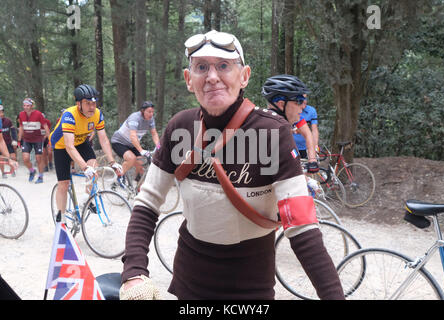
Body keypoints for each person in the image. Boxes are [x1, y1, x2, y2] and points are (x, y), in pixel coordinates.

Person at [119, 30, 344, 300]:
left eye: (224, 66)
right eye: (202, 67)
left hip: (250, 288)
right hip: (189, 282)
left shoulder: (274, 132)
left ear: (244, 76)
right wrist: (133, 273)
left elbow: (302, 227)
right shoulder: (179, 126)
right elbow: (147, 203)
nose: (213, 77)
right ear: (189, 80)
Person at [49, 84, 122, 223]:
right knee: (64, 183)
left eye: (94, 103)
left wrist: (112, 162)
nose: (92, 107)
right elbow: (69, 146)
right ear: (78, 104)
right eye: (87, 103)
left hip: (81, 141)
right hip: (62, 145)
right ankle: (61, 217)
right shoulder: (70, 115)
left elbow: (104, 139)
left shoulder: (97, 114)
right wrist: (84, 167)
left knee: (94, 167)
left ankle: (85, 199)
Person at [261, 74, 319, 173]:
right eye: (299, 101)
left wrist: (312, 159)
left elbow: (308, 134)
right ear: (281, 104)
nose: (302, 107)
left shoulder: (295, 118)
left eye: (304, 101)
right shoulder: (265, 128)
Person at [110, 101, 160, 182]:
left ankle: (138, 185)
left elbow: (154, 134)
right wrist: (141, 150)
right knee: (131, 158)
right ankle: (118, 178)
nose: (151, 114)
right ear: (143, 111)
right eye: (149, 112)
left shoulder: (151, 119)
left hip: (132, 144)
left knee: (141, 162)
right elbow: (133, 136)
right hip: (119, 142)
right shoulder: (135, 118)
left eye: (152, 112)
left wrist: (158, 147)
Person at [17, 98, 50, 183]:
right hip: (26, 139)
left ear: (32, 106)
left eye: (28, 105)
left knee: (38, 158)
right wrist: (19, 139)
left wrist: (48, 137)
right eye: (24, 105)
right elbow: (21, 127)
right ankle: (32, 171)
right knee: (25, 158)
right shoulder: (21, 114)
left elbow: (45, 126)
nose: (26, 107)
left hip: (37, 139)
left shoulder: (38, 114)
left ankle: (40, 176)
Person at [0, 104, 18, 177]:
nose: (0, 114)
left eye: (1, 112)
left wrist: (14, 140)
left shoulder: (6, 121)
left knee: (12, 157)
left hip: (7, 142)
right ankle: (3, 172)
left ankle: (12, 170)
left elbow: (1, 140)